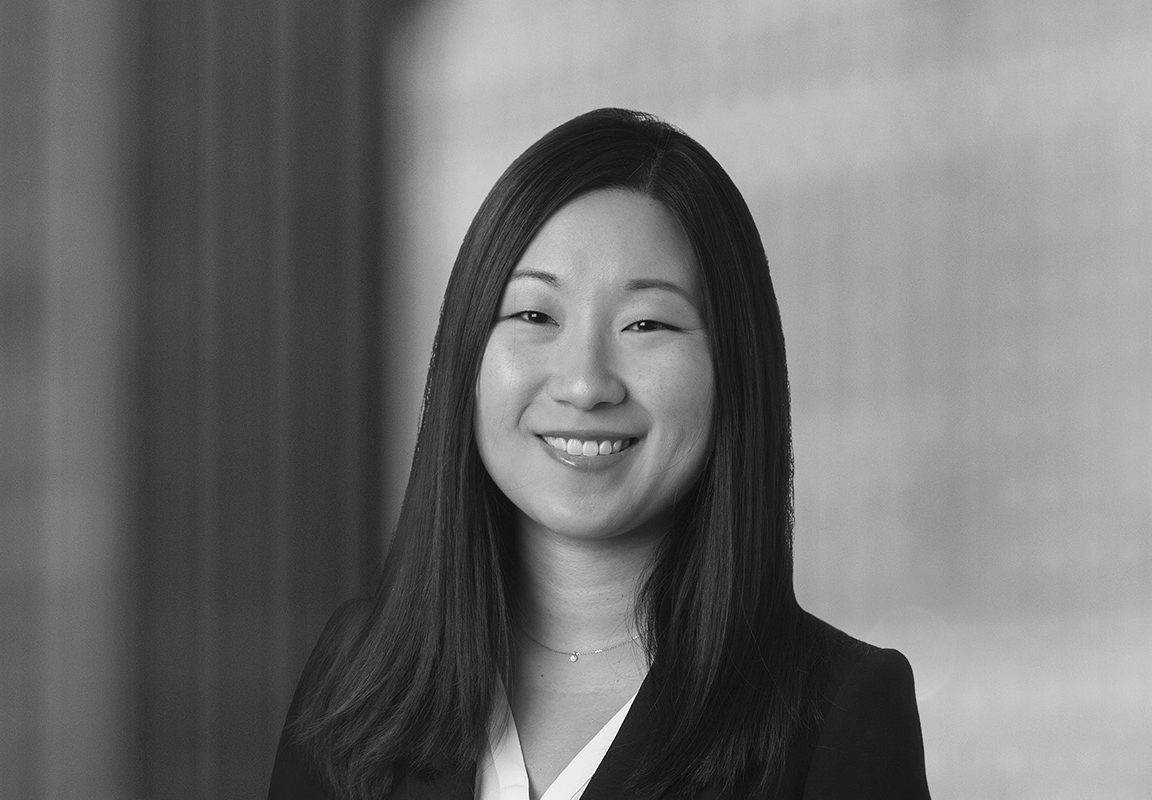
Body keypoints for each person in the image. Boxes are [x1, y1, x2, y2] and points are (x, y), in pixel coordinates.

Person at [268, 108, 931, 799]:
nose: (585, 384)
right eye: (534, 315)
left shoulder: (836, 712)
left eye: (646, 323)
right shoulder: (357, 674)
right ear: (467, 351)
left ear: (734, 367)